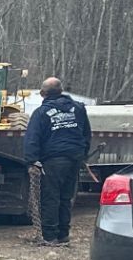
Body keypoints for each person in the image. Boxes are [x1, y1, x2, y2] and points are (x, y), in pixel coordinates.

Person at [22, 77, 92, 245]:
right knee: (66, 197)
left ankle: (49, 236)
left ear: (42, 93)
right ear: (61, 91)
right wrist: (83, 155)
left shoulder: (40, 113)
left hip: (53, 160)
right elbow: (86, 134)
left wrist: (32, 161)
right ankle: (63, 234)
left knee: (50, 197)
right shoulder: (78, 109)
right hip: (74, 158)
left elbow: (32, 138)